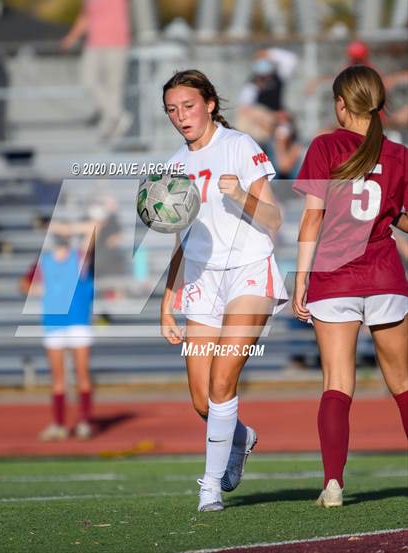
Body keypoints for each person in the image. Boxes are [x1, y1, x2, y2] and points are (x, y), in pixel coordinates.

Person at [160, 70, 287, 512]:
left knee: (221, 381)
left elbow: (274, 219)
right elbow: (181, 236)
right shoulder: (175, 164)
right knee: (202, 398)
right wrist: (167, 299)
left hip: (249, 270)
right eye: (172, 110)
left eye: (189, 106)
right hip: (201, 279)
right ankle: (241, 437)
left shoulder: (240, 147)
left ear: (210, 103)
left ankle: (210, 488)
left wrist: (241, 198)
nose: (181, 116)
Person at [292, 65, 408, 507]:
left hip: (335, 277)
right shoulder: (399, 154)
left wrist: (300, 279)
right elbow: (400, 217)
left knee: (337, 384)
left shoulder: (326, 145)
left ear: (341, 103)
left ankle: (334, 484)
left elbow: (312, 217)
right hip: (384, 275)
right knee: (402, 385)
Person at [21, 225, 95, 441]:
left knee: (82, 375)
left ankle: (84, 422)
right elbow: (25, 284)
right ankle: (60, 424)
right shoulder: (44, 262)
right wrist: (47, 291)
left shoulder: (79, 257)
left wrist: (69, 228)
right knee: (58, 379)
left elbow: (92, 234)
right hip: (54, 323)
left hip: (78, 322)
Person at [61, 0, 135, 140]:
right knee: (88, 81)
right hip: (94, 44)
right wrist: (71, 38)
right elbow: (85, 17)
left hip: (116, 44)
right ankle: (117, 115)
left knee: (113, 87)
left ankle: (111, 125)